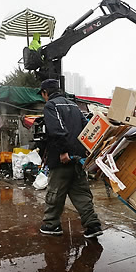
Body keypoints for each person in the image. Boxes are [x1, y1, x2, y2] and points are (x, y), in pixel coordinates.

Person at [39, 79, 103, 238]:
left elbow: (57, 130)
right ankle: (92, 225)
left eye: (43, 94)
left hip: (62, 159)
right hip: (78, 158)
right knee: (81, 193)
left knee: (55, 192)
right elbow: (87, 129)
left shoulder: (51, 106)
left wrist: (63, 151)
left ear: (45, 93)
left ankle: (51, 225)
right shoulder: (75, 106)